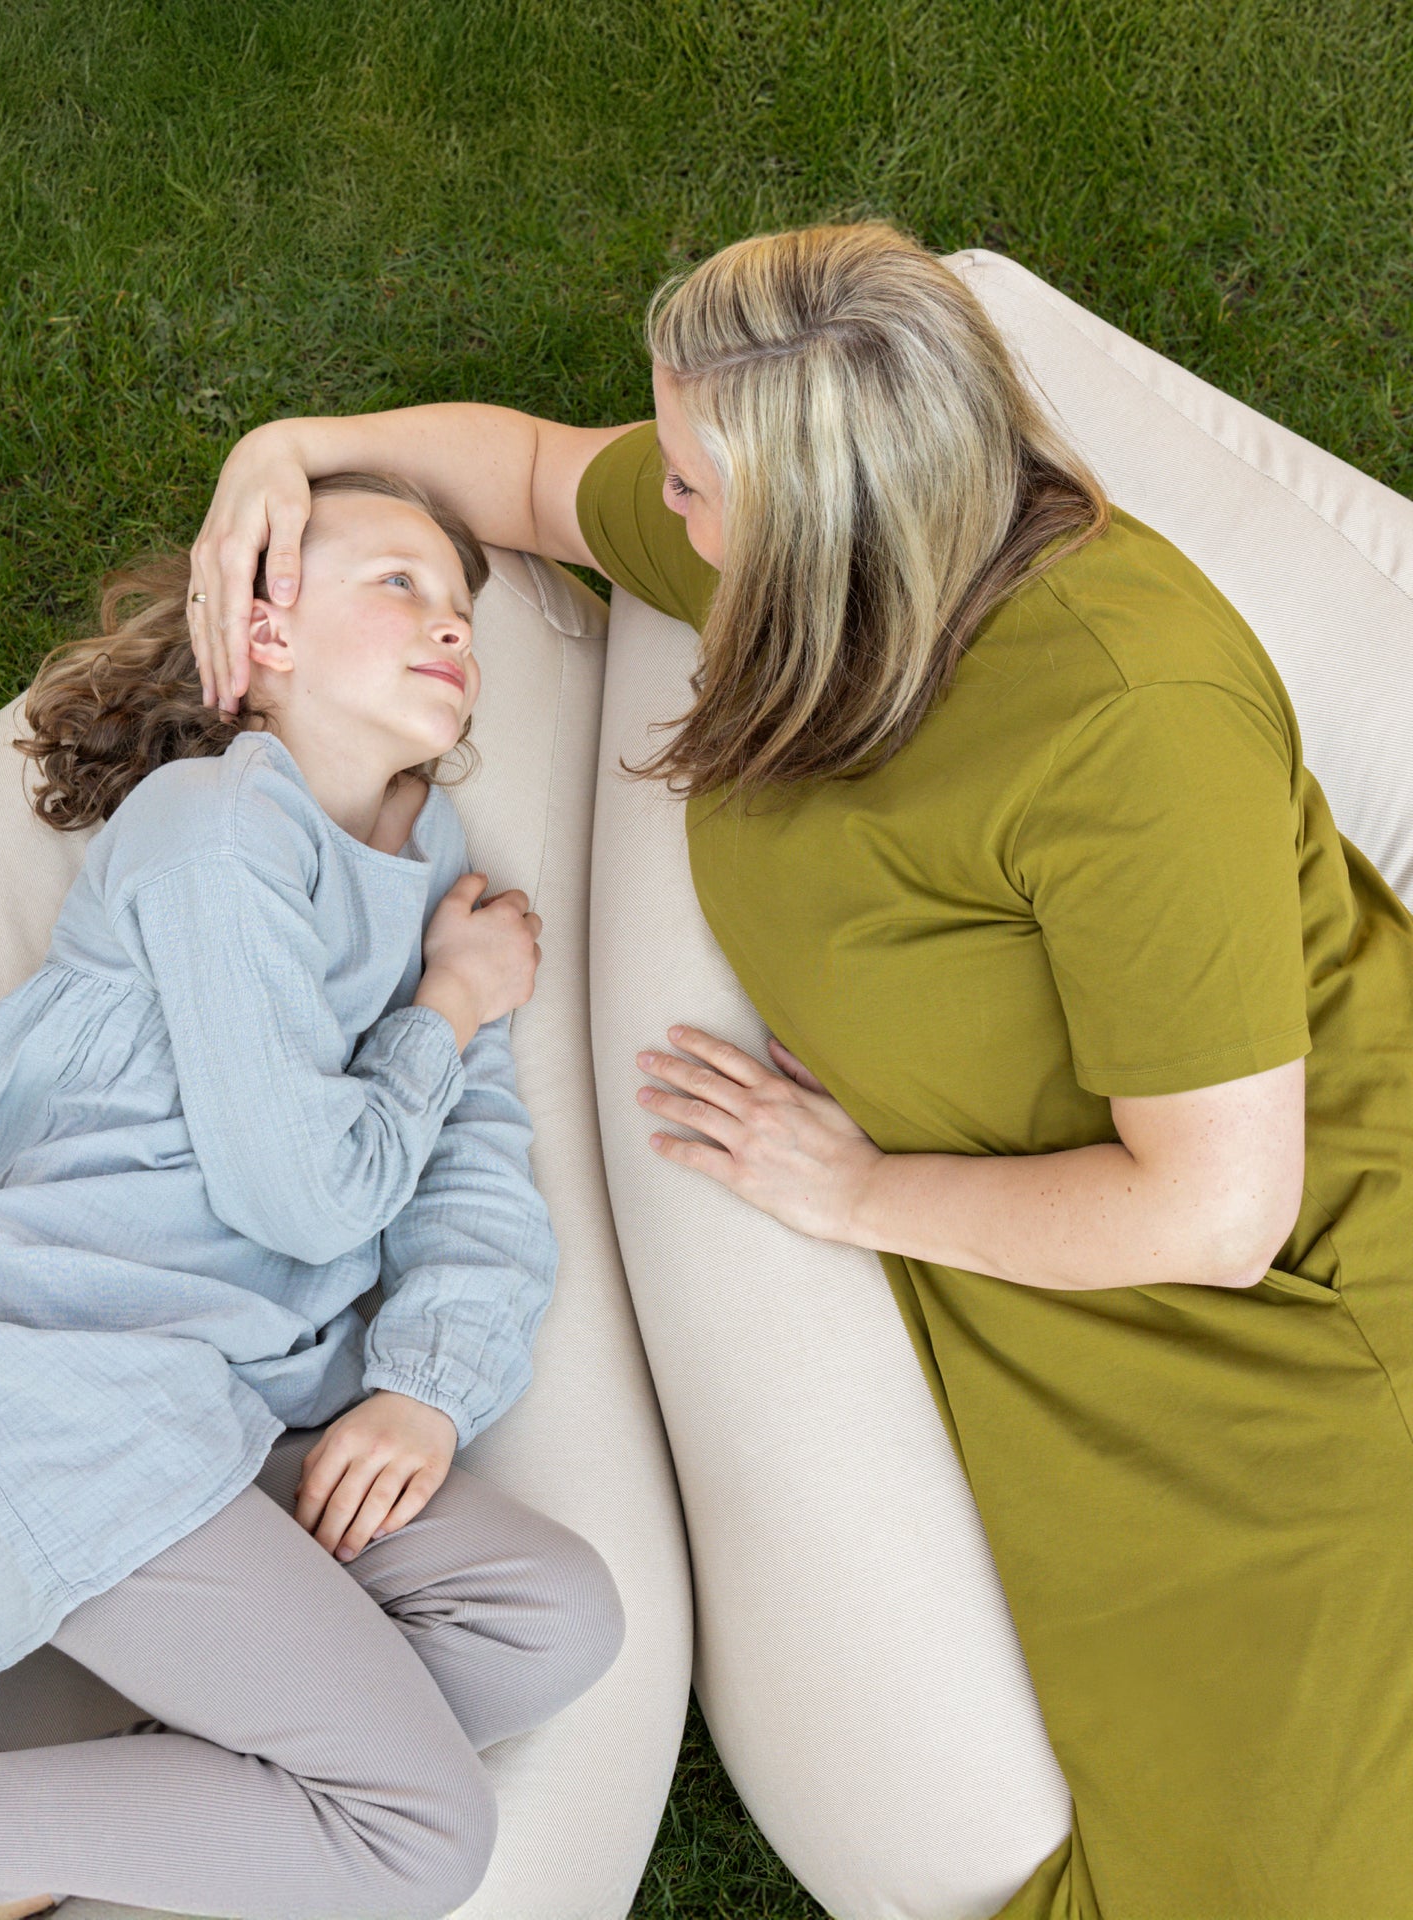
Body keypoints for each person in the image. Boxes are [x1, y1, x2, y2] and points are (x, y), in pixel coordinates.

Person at [184, 220, 1413, 1919]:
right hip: (1128, 1215)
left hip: (1288, 1297)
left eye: (692, 484)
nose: (663, 507)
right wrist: (290, 447)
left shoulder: (1130, 723)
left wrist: (854, 1190)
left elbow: (1217, 1212)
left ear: (838, 516)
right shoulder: (812, 565)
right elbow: (532, 478)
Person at [0, 470, 625, 1920]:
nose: (452, 625)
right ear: (265, 635)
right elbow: (304, 1196)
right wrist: (444, 1009)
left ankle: (81, 1820)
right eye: (397, 584)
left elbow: (478, 1177)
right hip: (50, 1373)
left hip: (221, 1404)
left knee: (548, 1616)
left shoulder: (440, 876)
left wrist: (429, 1389)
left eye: (461, 606)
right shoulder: (215, 827)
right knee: (419, 1837)